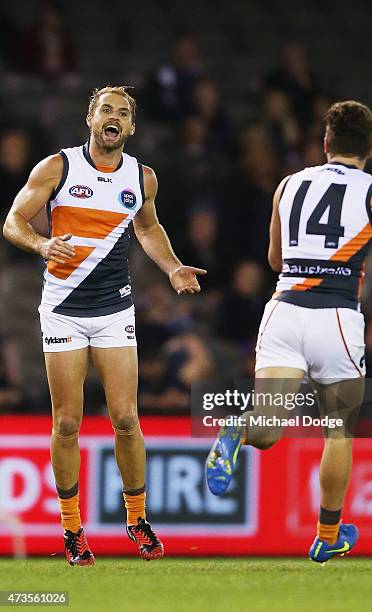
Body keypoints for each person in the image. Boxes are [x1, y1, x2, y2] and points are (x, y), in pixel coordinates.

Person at [205, 100, 372, 563]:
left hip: (284, 311)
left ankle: (236, 429)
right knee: (338, 432)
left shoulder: (288, 185)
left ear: (325, 144)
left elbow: (274, 260)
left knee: (267, 429)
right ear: (370, 147)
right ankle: (327, 535)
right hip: (336, 316)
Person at [3, 85, 206, 566]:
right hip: (63, 310)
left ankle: (136, 519)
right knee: (67, 423)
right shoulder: (58, 168)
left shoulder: (142, 177)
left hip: (114, 312)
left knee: (126, 420)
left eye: (123, 113)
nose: (113, 117)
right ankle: (73, 530)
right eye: (105, 109)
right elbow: (12, 221)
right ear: (90, 119)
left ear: (130, 128)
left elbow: (148, 228)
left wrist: (173, 267)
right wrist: (40, 245)